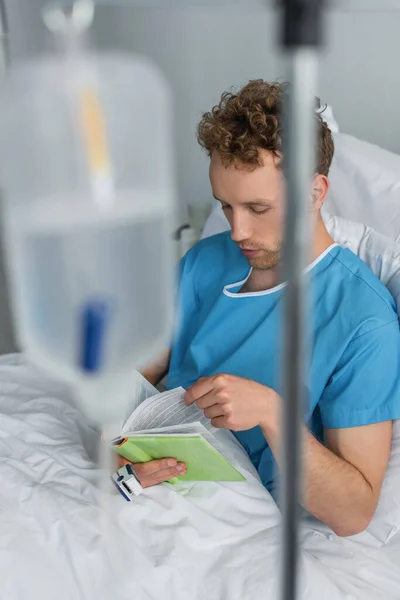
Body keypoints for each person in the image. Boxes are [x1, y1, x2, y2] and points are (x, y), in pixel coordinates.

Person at [120, 80, 400, 537]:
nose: (237, 231)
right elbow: (135, 376)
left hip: (243, 523)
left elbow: (353, 513)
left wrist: (273, 414)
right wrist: (119, 449)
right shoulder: (203, 263)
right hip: (157, 489)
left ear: (315, 192)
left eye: (257, 207)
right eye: (226, 206)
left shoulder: (363, 321)